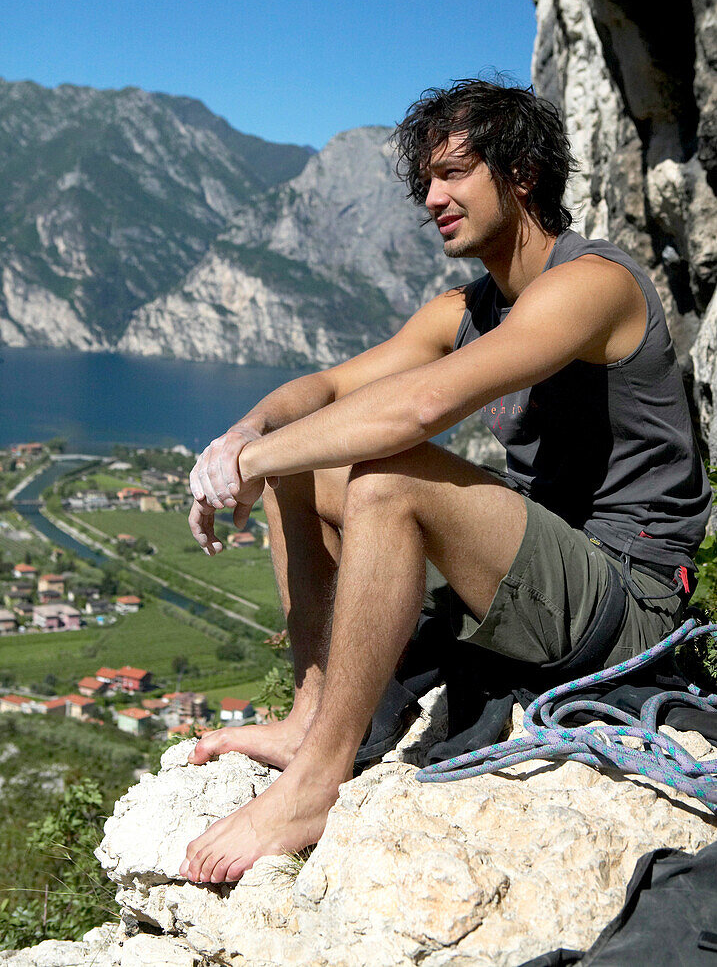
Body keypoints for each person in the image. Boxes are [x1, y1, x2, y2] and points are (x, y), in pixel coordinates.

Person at [179, 78, 712, 885]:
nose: (432, 198)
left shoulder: (591, 284)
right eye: (425, 181)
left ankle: (315, 784)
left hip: (627, 596)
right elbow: (325, 389)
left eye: (454, 174)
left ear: (522, 172)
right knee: (306, 458)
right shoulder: (467, 307)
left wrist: (248, 466)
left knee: (386, 479)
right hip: (545, 573)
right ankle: (309, 720)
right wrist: (245, 436)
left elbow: (421, 406)